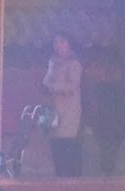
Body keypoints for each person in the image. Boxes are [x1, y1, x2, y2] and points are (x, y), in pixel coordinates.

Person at [42, 31, 84, 177]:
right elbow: (46, 81)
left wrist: (53, 87)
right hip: (52, 110)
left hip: (69, 111)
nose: (58, 46)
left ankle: (71, 179)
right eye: (56, 42)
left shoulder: (74, 64)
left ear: (69, 44)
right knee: (55, 144)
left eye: (62, 42)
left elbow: (72, 86)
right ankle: (59, 178)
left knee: (67, 144)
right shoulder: (53, 62)